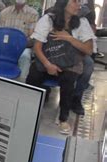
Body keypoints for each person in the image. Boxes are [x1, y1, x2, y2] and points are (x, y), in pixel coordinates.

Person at [25, 0, 95, 134]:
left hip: (69, 61)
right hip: (48, 58)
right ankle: (29, 110)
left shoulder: (82, 22)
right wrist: (48, 65)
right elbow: (37, 47)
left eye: (79, 2)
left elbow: (89, 49)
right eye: (75, 2)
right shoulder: (48, 19)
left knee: (69, 79)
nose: (79, 5)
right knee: (33, 75)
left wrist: (69, 38)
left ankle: (63, 118)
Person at [0, 0, 39, 82]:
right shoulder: (4, 13)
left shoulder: (33, 14)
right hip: (5, 45)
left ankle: (20, 84)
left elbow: (32, 37)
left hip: (23, 46)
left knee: (25, 56)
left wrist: (18, 46)